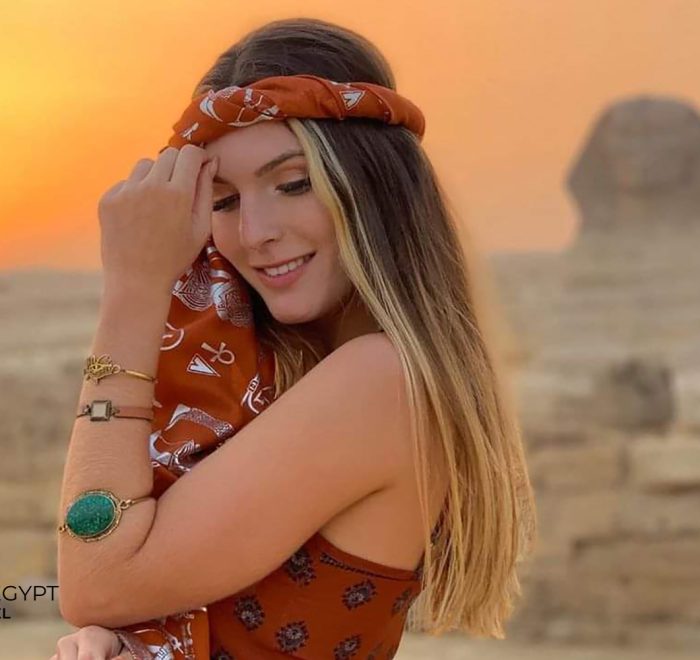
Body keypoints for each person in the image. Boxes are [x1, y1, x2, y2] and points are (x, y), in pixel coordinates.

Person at [53, 16, 537, 660]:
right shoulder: (309, 380)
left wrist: (133, 292)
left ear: (373, 186)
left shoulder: (379, 383)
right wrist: (130, 641)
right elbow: (138, 592)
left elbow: (96, 583)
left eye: (293, 184)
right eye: (223, 202)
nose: (256, 233)